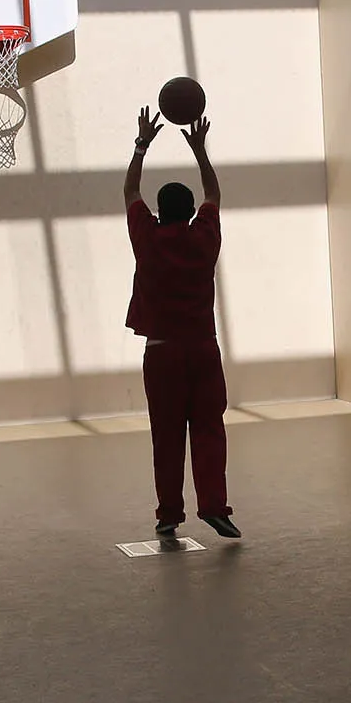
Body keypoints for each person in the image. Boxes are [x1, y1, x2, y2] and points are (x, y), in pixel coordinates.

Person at [124, 106, 240, 540]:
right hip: (203, 349)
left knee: (166, 435)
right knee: (209, 428)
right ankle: (214, 505)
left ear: (157, 211)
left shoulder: (147, 239)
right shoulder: (204, 237)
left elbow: (129, 192)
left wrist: (141, 146)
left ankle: (169, 513)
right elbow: (215, 194)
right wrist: (199, 150)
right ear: (192, 212)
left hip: (162, 352)